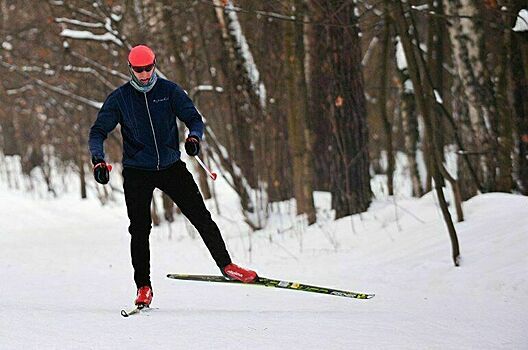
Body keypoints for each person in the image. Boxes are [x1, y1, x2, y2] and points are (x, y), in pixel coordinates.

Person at [88, 45, 257, 307]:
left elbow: (194, 119)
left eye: (148, 68)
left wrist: (193, 138)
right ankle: (143, 286)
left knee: (201, 216)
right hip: (137, 171)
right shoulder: (120, 98)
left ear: (154, 65)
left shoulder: (169, 91)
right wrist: (98, 160)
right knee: (140, 229)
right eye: (138, 69)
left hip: (170, 167)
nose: (144, 74)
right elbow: (98, 131)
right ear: (129, 68)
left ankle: (227, 265)